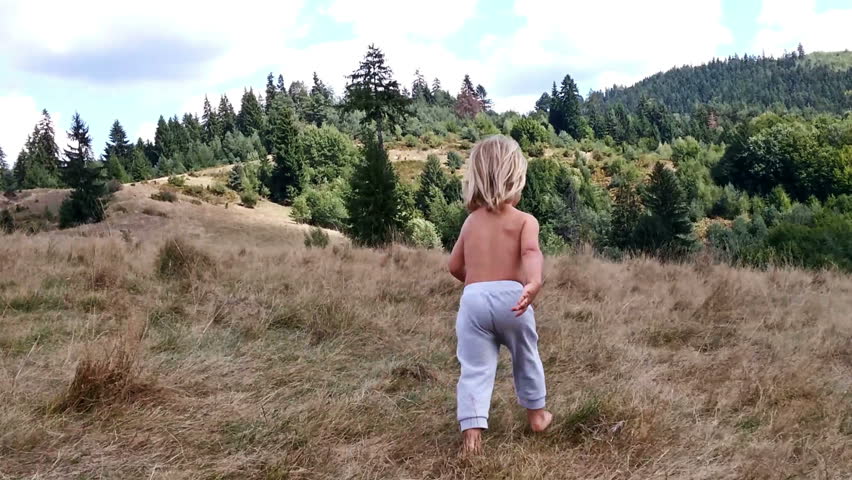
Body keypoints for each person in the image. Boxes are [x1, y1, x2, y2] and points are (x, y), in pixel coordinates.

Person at [448, 134, 552, 454]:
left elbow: (454, 266)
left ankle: (473, 436)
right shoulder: (524, 221)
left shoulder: (470, 222)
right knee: (526, 357)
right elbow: (531, 252)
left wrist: (477, 285)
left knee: (476, 368)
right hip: (513, 297)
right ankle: (536, 415)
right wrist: (532, 282)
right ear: (515, 179)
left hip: (474, 299)